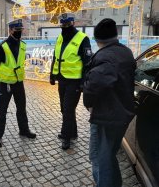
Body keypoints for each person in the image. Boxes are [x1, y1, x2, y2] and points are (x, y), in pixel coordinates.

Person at [83, 18, 136, 187]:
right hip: (120, 113)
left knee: (99, 158)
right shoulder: (125, 52)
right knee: (109, 156)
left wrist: (88, 103)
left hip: (106, 116)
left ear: (98, 40)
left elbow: (95, 84)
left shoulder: (105, 56)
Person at [0, 19, 36, 148]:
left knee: (21, 108)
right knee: (2, 111)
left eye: (20, 30)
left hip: (19, 82)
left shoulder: (22, 44)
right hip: (6, 84)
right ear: (10, 30)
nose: (19, 33)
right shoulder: (2, 46)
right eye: (17, 30)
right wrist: (3, 76)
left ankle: (24, 130)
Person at [50, 13, 92, 150]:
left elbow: (87, 63)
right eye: (62, 25)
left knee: (68, 109)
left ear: (73, 23)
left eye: (67, 25)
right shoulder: (60, 37)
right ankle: (72, 132)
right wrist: (52, 74)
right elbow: (55, 56)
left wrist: (82, 83)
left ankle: (66, 136)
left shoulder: (82, 39)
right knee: (65, 108)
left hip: (74, 81)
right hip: (62, 78)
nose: (65, 28)